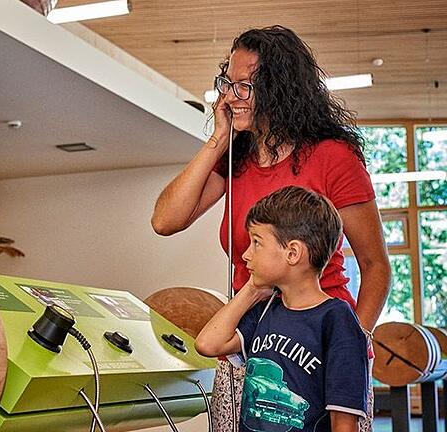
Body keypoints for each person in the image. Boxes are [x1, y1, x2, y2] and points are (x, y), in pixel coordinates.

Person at [151, 26, 389, 431]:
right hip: (249, 342)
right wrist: (217, 140)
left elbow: (375, 265)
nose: (230, 96)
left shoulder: (332, 157)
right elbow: (164, 221)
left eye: (245, 86)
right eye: (228, 82)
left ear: (280, 88)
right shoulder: (235, 160)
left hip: (317, 343)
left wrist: (349, 344)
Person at [196, 186, 369, 432]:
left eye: (256, 242)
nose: (246, 255)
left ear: (293, 252)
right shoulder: (265, 312)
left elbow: (344, 421)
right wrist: (252, 289)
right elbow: (208, 345)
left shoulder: (336, 319)